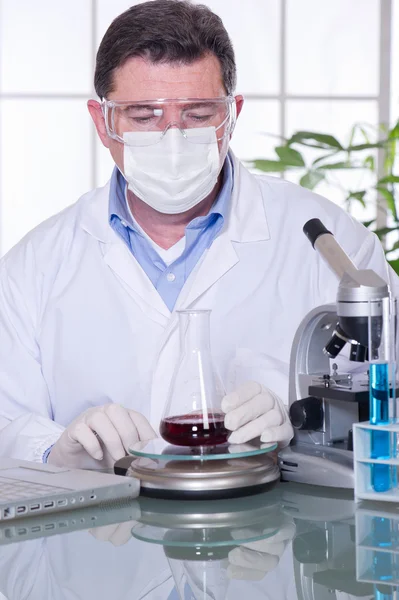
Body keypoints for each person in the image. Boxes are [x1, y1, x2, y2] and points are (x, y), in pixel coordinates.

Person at [0, 0, 397, 468]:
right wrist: (54, 449)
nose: (171, 140)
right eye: (144, 117)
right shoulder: (36, 264)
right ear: (102, 122)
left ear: (232, 115)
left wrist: (311, 426)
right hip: (96, 536)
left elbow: (389, 404)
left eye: (197, 114)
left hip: (270, 536)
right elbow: (7, 420)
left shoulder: (332, 245)